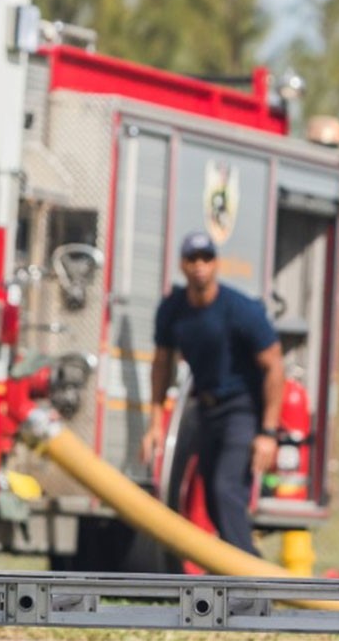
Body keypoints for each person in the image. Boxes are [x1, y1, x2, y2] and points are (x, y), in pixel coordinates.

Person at [140, 231, 284, 556]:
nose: (200, 266)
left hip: (241, 409)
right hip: (206, 409)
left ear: (216, 264)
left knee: (225, 489)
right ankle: (249, 572)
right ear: (182, 265)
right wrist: (154, 424)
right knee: (212, 501)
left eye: (206, 259)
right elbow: (162, 364)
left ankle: (252, 585)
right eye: (192, 259)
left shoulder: (239, 309)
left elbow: (274, 365)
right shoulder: (174, 309)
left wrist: (268, 433)